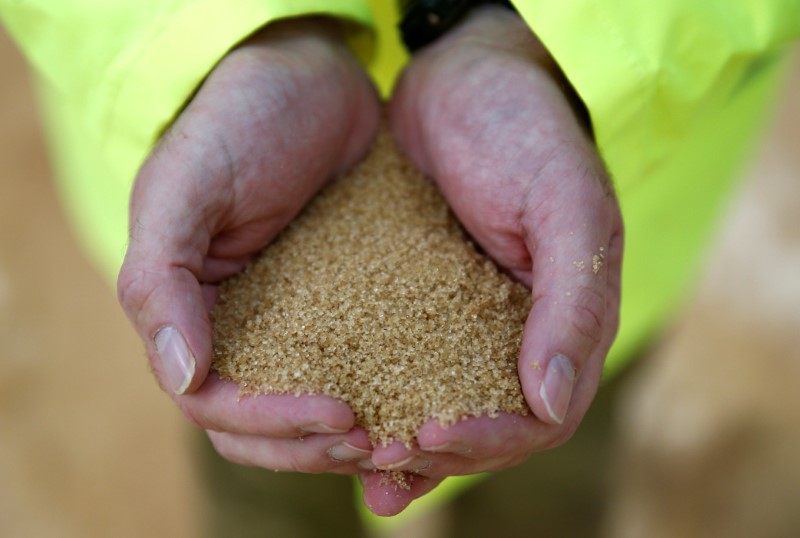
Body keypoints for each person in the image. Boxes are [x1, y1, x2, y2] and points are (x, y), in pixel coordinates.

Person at [2, 0, 797, 534]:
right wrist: (222, 37)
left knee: (548, 474)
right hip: (221, 214)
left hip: (592, 199)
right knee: (264, 479)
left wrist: (558, 42)